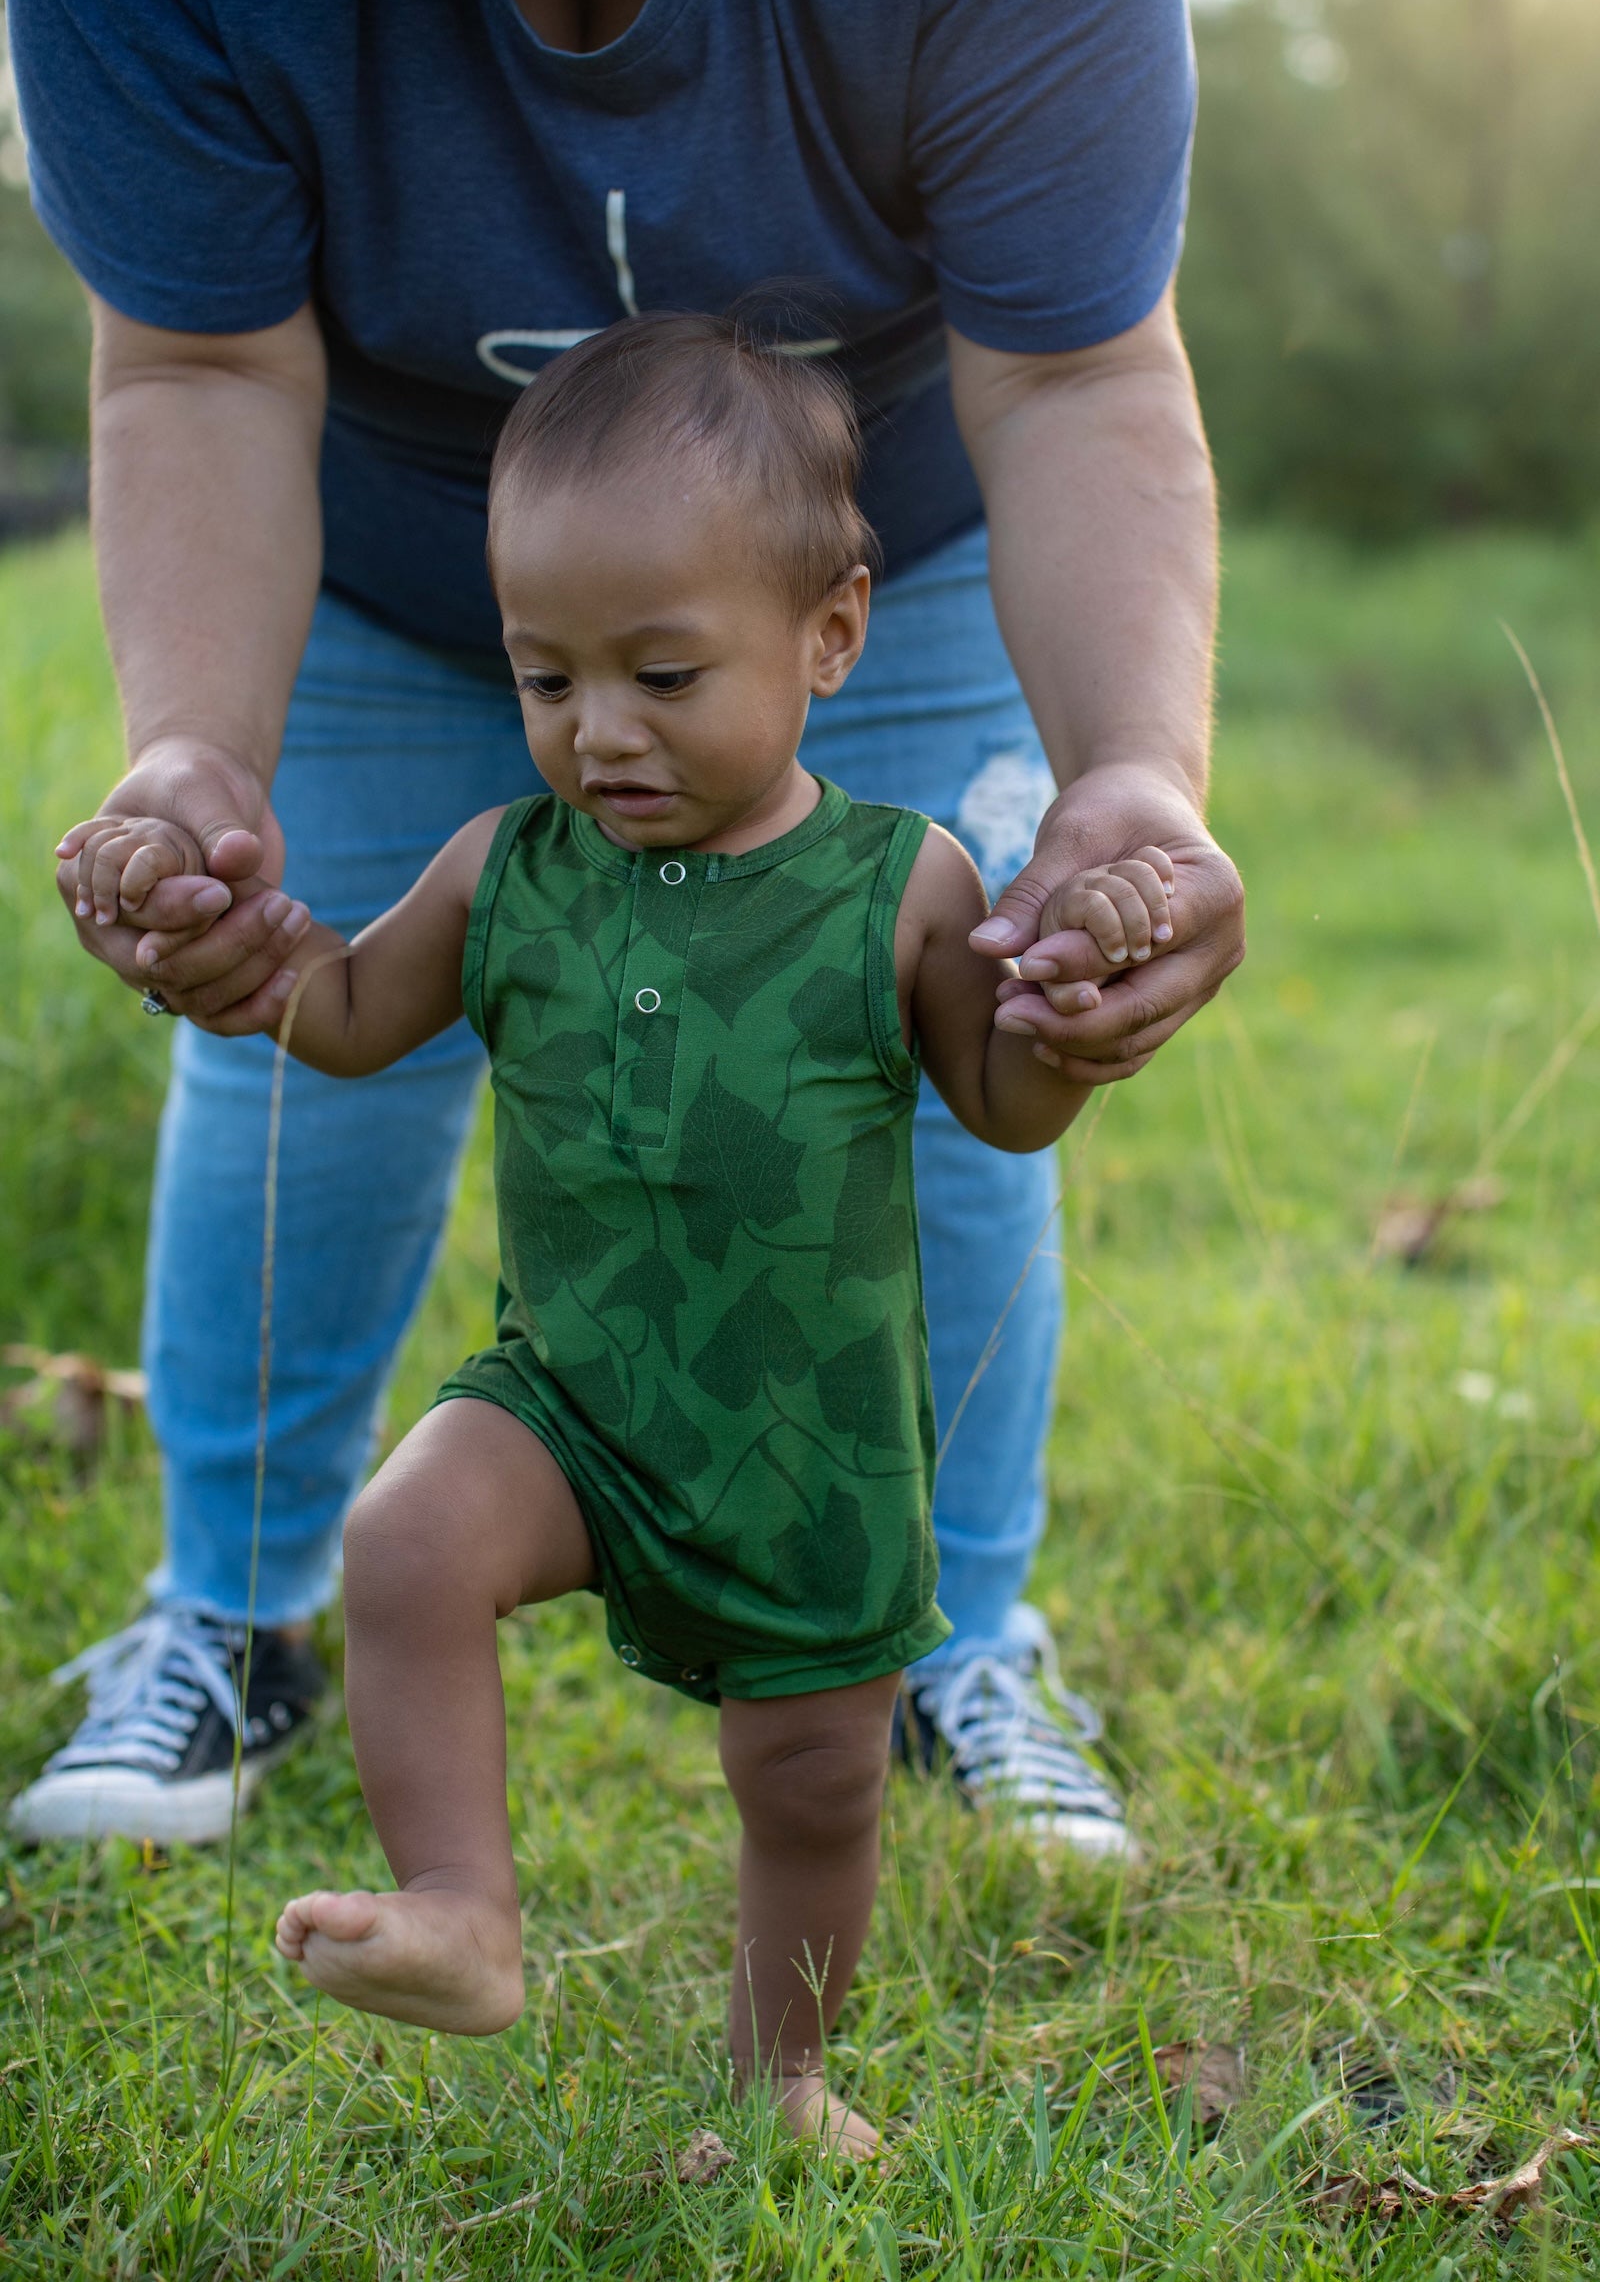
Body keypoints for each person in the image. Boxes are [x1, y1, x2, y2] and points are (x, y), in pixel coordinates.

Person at [6, 0, 1243, 1853]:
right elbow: (203, 370)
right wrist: (197, 757)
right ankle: (229, 1619)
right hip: (413, 564)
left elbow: (1081, 373)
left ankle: (950, 1646)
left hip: (859, 539)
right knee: (287, 1058)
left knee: (942, 1012)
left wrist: (1128, 776)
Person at [61, 315, 1179, 2149]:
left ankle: (781, 2075)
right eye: (546, 676)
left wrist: (1064, 1022)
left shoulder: (902, 880)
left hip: (808, 1436)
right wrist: (235, 955)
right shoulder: (504, 867)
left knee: (811, 1780)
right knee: (406, 1541)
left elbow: (1001, 1101)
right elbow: (347, 1016)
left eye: (664, 673)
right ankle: (461, 1911)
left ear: (832, 634)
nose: (601, 732)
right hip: (569, 1401)